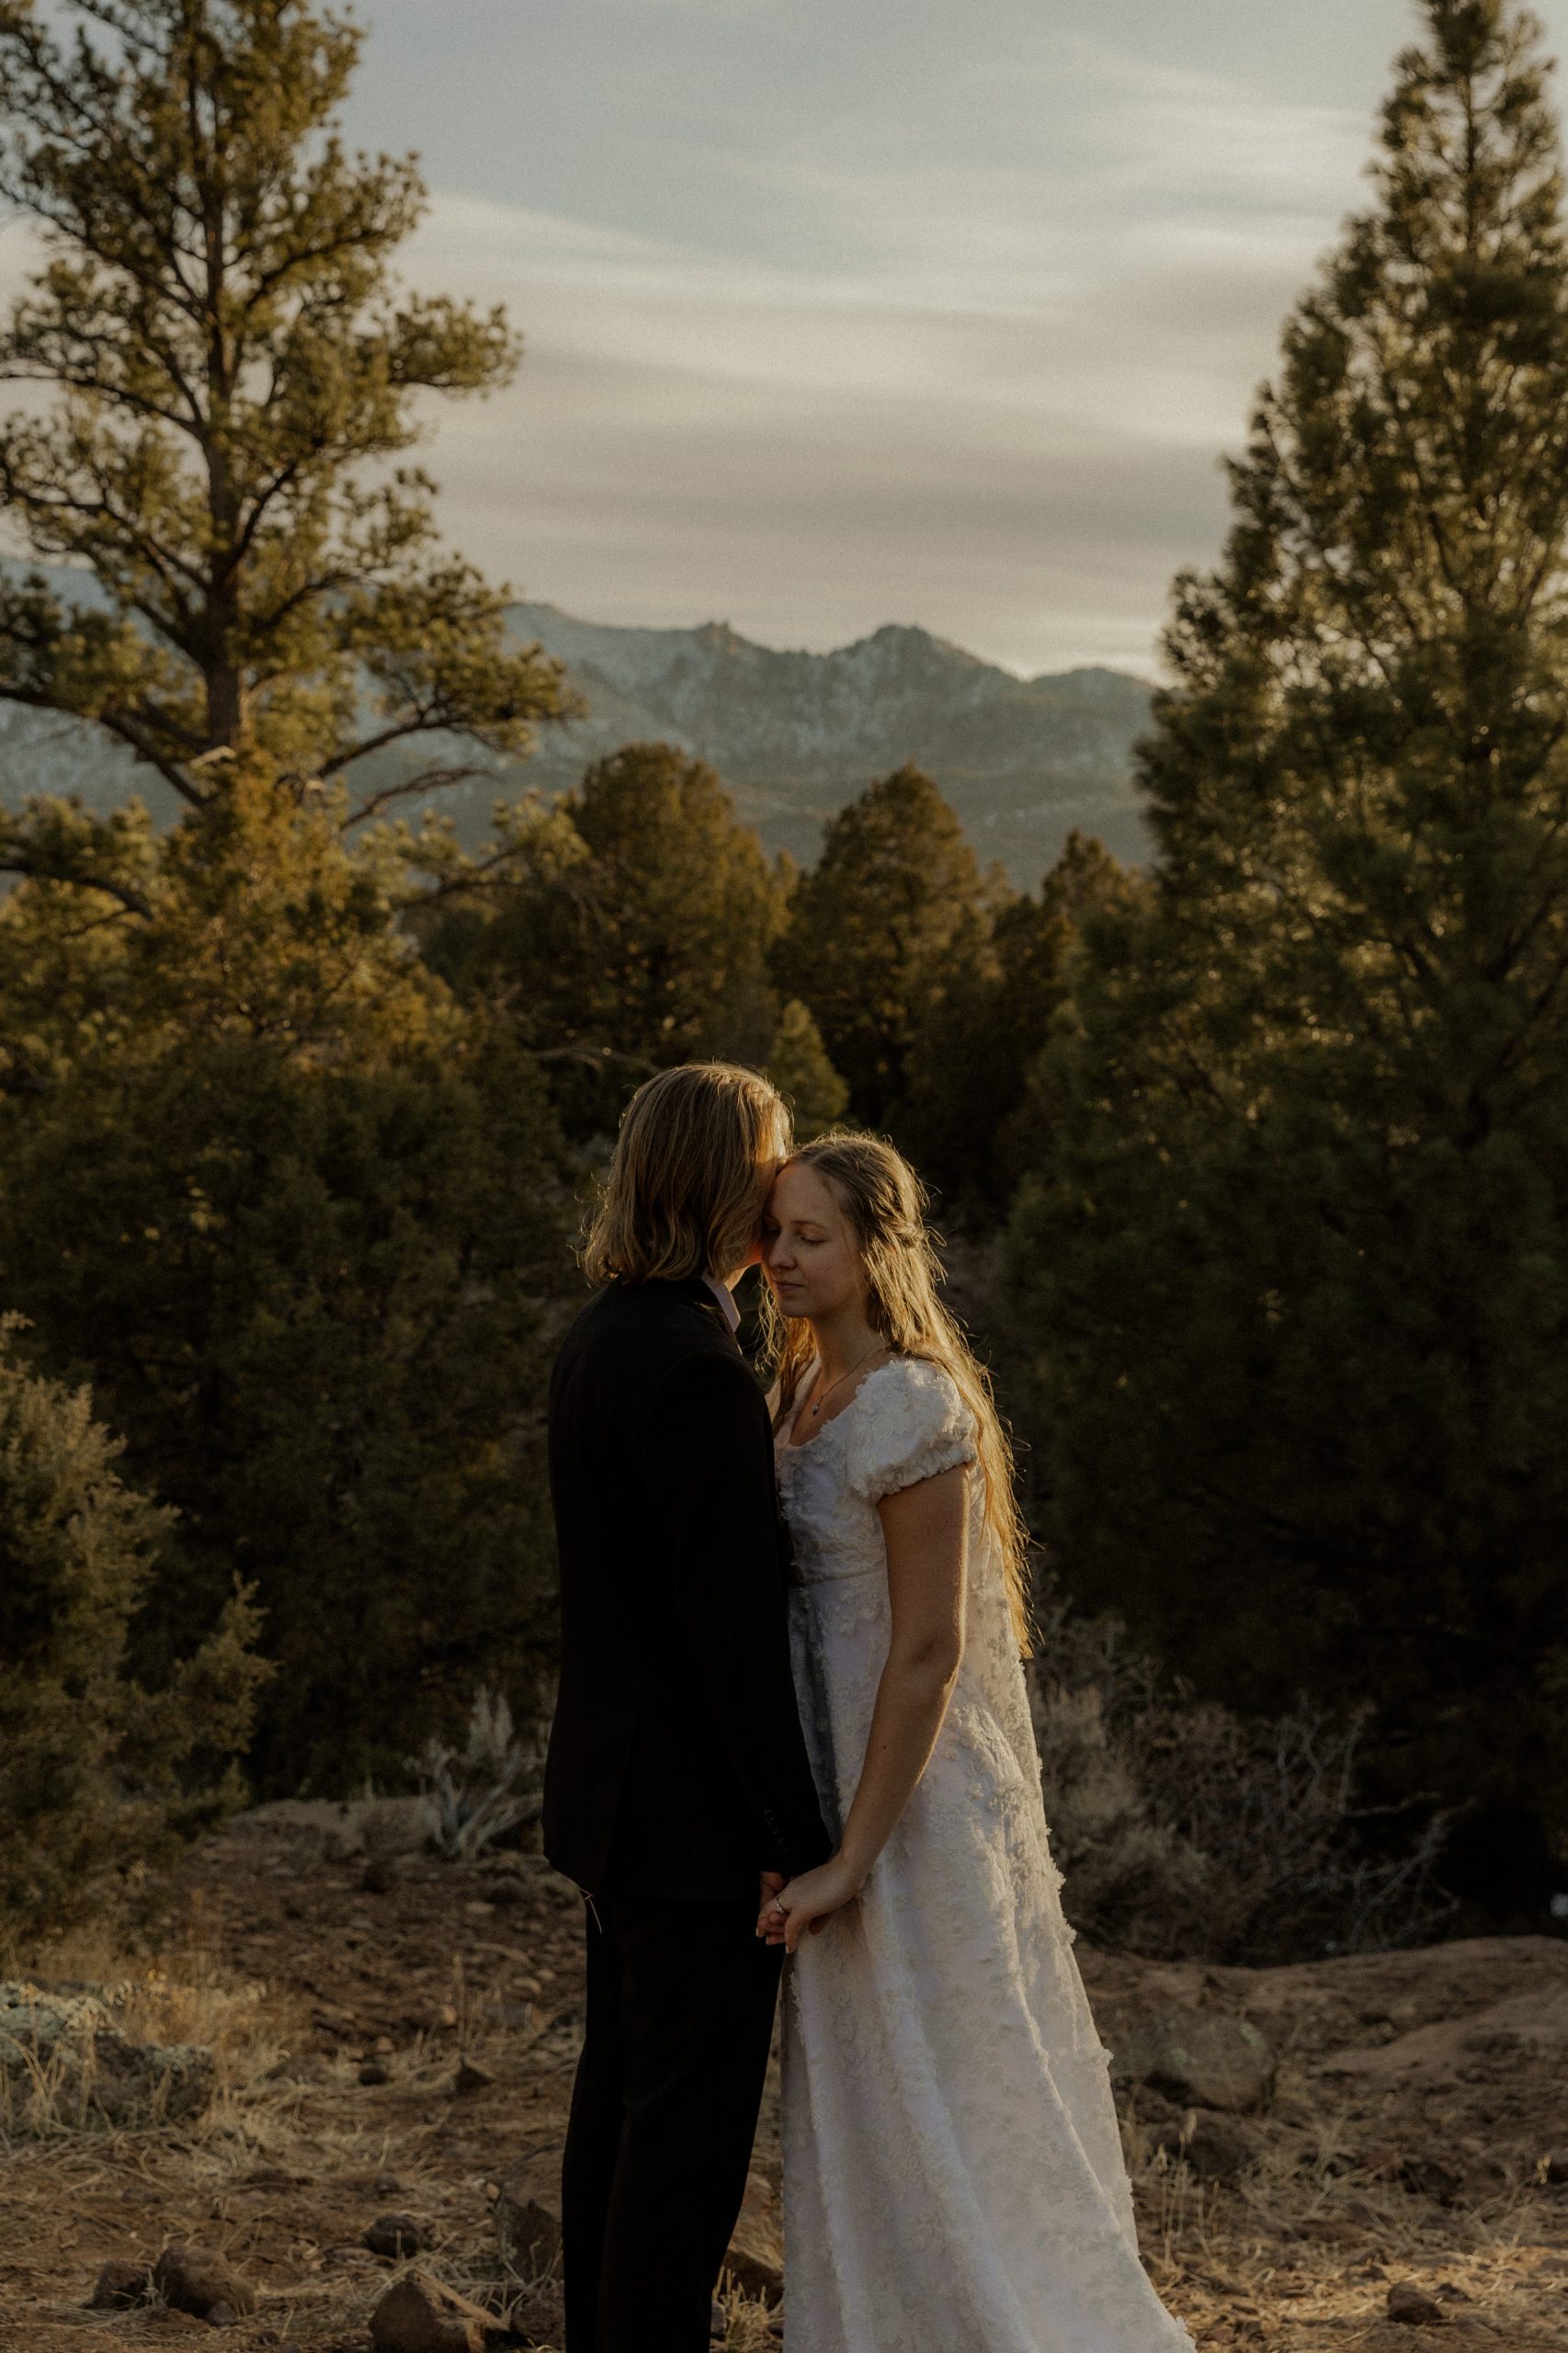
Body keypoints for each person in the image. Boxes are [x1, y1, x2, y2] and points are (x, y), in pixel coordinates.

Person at [758, 1132, 1192, 2353]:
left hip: (915, 1792)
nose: (781, 1256)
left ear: (875, 1251)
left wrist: (854, 1853)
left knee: (950, 2057)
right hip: (826, 1771)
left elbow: (929, 1648)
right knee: (866, 2067)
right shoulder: (792, 1394)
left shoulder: (911, 1402)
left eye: (810, 1236)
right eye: (774, 1232)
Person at [543, 1063, 833, 2353]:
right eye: (773, 1151)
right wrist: (793, 1833)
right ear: (724, 1177)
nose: (785, 1175)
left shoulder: (602, 1334)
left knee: (618, 2110)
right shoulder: (698, 1367)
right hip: (690, 1823)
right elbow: (731, 1640)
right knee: (685, 2142)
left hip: (614, 1800)